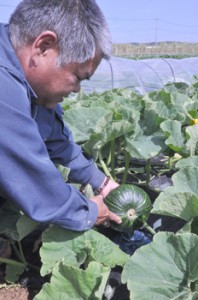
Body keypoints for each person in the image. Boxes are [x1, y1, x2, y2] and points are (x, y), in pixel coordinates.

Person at [0, 0, 122, 233]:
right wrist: (89, 211)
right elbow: (32, 183)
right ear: (44, 46)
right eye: (78, 77)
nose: (77, 90)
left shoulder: (29, 84)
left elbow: (56, 141)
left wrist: (102, 183)